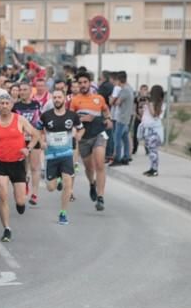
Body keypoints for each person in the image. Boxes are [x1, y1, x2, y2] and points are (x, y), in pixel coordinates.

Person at [0, 94, 40, 242]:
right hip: (1, 163)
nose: (4, 106)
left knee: (20, 202)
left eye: (7, 103)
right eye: (1, 103)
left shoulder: (20, 120)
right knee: (3, 196)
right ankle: (6, 228)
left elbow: (35, 135)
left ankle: (22, 198)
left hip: (17, 163)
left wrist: (28, 149)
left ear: (11, 105)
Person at [70, 71, 112, 212]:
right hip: (83, 138)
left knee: (100, 163)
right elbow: (69, 119)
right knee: (89, 168)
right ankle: (92, 184)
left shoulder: (99, 98)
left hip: (98, 134)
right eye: (80, 83)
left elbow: (106, 111)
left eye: (85, 82)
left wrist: (108, 119)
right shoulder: (75, 100)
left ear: (89, 83)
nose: (82, 85)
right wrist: (81, 119)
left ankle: (100, 197)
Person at [39, 90, 83, 225]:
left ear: (64, 99)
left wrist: (78, 135)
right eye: (55, 97)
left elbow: (81, 128)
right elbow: (39, 131)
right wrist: (42, 141)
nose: (57, 99)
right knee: (51, 188)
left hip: (66, 155)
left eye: (59, 97)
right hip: (51, 156)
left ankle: (63, 213)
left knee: (68, 184)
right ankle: (56, 178)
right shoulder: (46, 116)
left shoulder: (72, 116)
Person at [12, 82, 43, 206]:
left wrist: (41, 137)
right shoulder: (16, 106)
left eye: (25, 89)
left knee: (35, 167)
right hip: (21, 140)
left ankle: (34, 194)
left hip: (34, 138)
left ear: (30, 91)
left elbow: (39, 122)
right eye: (21, 90)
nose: (23, 92)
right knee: (24, 167)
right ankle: (24, 182)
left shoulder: (36, 105)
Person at [138, 85, 165, 177]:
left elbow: (154, 114)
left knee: (153, 151)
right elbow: (143, 114)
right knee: (150, 151)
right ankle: (152, 168)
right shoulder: (150, 103)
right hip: (147, 129)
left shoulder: (161, 104)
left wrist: (149, 104)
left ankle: (155, 170)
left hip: (154, 131)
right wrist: (143, 105)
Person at [109, 72, 134, 166]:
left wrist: (111, 98)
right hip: (126, 117)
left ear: (119, 80)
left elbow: (117, 103)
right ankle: (126, 156)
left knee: (117, 138)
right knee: (125, 138)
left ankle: (117, 158)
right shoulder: (130, 88)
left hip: (122, 118)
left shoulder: (124, 90)